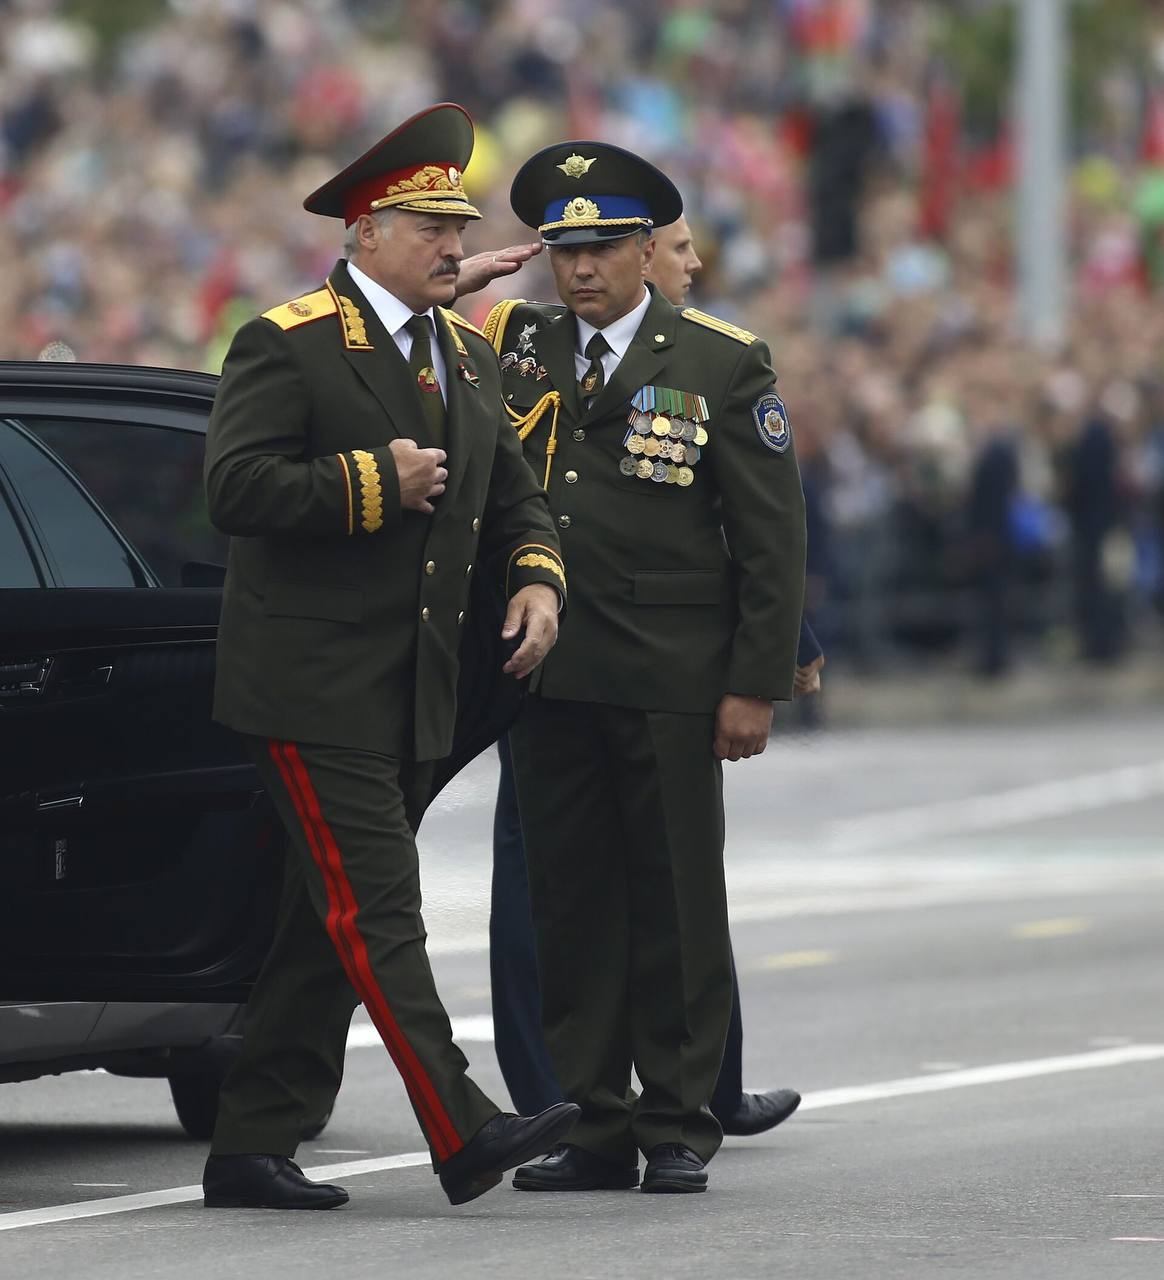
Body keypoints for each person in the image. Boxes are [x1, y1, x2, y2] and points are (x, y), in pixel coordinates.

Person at [199, 103, 579, 1213]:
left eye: (458, 227)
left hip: (417, 689)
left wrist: (538, 579)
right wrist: (374, 481)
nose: (455, 246)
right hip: (309, 687)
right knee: (378, 909)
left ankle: (251, 1142)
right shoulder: (288, 339)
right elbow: (234, 488)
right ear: (366, 232)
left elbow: (517, 497)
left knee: (323, 924)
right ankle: (464, 1128)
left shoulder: (464, 352)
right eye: (430, 228)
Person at [485, 142, 807, 1194]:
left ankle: (676, 1119)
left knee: (674, 900)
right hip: (547, 671)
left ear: (644, 250)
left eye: (605, 248)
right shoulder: (518, 342)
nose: (581, 269)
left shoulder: (720, 360)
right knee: (569, 906)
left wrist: (754, 682)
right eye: (565, 251)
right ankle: (593, 1121)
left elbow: (770, 536)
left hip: (672, 673)